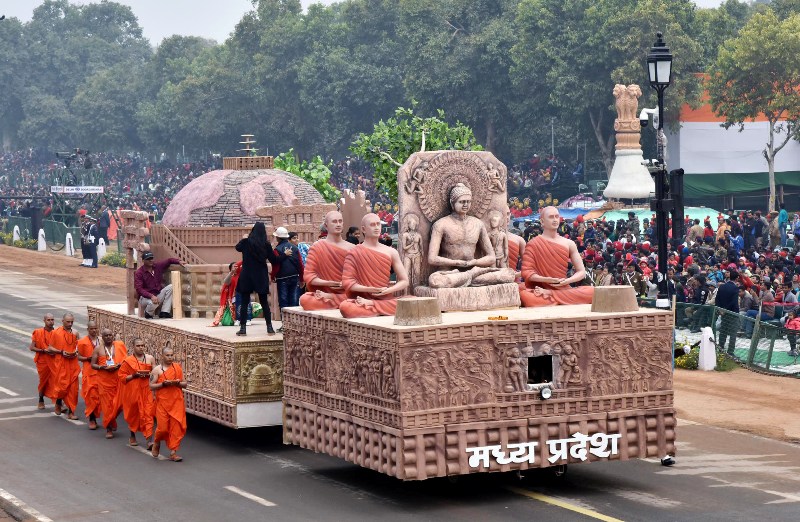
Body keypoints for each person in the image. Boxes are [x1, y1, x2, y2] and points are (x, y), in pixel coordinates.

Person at [519, 206, 594, 306]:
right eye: (551, 217)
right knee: (525, 296)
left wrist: (567, 280)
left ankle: (551, 295)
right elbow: (526, 272)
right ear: (542, 221)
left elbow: (581, 271)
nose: (555, 220)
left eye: (556, 216)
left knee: (592, 291)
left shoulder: (569, 243)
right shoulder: (533, 244)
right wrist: (547, 280)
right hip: (543, 288)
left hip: (564, 287)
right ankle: (554, 296)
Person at [339, 213, 409, 318]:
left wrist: (389, 290)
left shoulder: (391, 251)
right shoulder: (354, 252)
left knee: (411, 302)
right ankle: (378, 307)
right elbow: (347, 283)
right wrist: (372, 289)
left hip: (385, 297)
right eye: (372, 225)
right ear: (363, 229)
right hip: (361, 299)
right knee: (346, 307)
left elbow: (405, 281)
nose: (376, 227)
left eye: (378, 224)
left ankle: (373, 305)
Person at [299, 211, 355, 311]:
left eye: (340, 221)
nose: (338, 224)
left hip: (346, 293)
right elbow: (309, 277)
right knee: (305, 299)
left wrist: (346, 283)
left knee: (357, 298)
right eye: (334, 221)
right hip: (323, 293)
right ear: (326, 225)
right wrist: (331, 283)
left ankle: (332, 298)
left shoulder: (353, 248)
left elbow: (359, 277)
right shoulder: (317, 247)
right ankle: (333, 298)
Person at [235, 222, 280, 336]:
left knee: (245, 302)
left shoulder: (246, 242)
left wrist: (244, 238)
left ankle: (243, 329)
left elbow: (237, 248)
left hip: (247, 275)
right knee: (264, 302)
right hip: (260, 275)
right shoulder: (266, 244)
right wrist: (284, 255)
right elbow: (274, 260)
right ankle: (269, 328)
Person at [150, 347, 187, 462]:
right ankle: (156, 441)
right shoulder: (157, 370)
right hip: (163, 404)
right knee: (163, 428)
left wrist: (177, 383)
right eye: (167, 355)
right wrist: (163, 385)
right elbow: (151, 386)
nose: (170, 357)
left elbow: (185, 384)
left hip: (176, 402)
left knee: (177, 427)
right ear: (162, 356)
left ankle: (173, 452)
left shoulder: (177, 368)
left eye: (171, 355)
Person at [118, 338, 155, 448]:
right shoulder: (127, 361)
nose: (141, 347)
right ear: (133, 347)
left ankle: (149, 440)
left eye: (143, 345)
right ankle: (132, 435)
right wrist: (134, 375)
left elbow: (155, 374)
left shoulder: (150, 358)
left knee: (148, 414)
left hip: (147, 390)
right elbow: (122, 377)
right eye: (138, 346)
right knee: (133, 415)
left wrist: (149, 375)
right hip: (133, 391)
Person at [90, 328, 127, 439]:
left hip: (118, 379)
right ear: (102, 337)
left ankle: (111, 420)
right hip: (104, 381)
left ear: (113, 336)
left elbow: (126, 360)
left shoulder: (119, 346)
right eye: (106, 335)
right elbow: (93, 365)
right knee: (107, 406)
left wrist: (119, 365)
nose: (109, 337)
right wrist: (102, 367)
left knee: (119, 404)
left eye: (110, 335)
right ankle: (109, 428)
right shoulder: (98, 349)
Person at [45, 313, 80, 419]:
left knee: (73, 389)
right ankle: (58, 403)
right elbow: (50, 348)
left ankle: (71, 412)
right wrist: (61, 352)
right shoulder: (56, 332)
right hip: (61, 363)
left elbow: (79, 346)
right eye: (68, 322)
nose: (70, 324)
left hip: (72, 363)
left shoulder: (75, 333)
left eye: (72, 322)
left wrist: (76, 351)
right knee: (61, 388)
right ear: (62, 321)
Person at [134, 252, 184, 319]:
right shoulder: (139, 272)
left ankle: (164, 312)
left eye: (152, 258)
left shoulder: (157, 266)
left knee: (171, 287)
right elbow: (139, 289)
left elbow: (169, 261)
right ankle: (148, 313)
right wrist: (151, 296)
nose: (151, 260)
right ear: (143, 261)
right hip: (145, 298)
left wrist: (179, 261)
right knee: (153, 303)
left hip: (157, 294)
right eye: (148, 259)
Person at [272, 226, 303, 324]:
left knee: (283, 302)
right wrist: (302, 279)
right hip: (294, 277)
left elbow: (276, 266)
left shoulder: (277, 249)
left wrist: (273, 276)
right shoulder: (295, 248)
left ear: (278, 238)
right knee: (293, 301)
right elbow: (300, 264)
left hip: (282, 278)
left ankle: (285, 324)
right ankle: (294, 323)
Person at [76, 321, 101, 430]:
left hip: (101, 373)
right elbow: (79, 357)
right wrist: (87, 359)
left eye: (95, 328)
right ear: (88, 329)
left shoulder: (101, 340)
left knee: (100, 398)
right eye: (92, 328)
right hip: (89, 373)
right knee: (91, 396)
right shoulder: (82, 342)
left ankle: (102, 418)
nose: (94, 330)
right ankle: (92, 418)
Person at [28, 313, 55, 410]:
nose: (51, 322)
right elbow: (32, 347)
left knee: (56, 382)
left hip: (54, 361)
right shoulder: (38, 332)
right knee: (43, 381)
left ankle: (58, 403)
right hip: (43, 361)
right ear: (44, 321)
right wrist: (43, 350)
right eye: (48, 320)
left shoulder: (57, 333)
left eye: (52, 319)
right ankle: (41, 399)